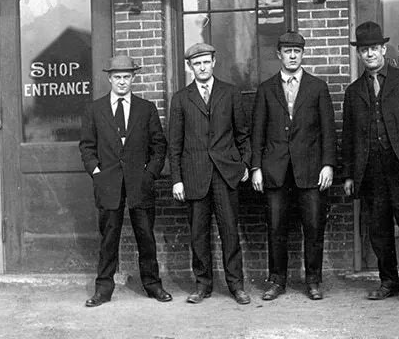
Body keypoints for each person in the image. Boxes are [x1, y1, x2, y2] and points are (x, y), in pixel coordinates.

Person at [341, 21, 399, 307]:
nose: (369, 54)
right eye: (364, 50)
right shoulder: (353, 91)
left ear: (383, 49)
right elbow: (348, 137)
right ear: (359, 54)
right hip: (371, 172)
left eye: (374, 48)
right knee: (379, 232)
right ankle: (389, 282)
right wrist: (349, 175)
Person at [79, 55, 171, 307]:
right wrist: (97, 172)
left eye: (127, 77)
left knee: (146, 236)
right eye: (117, 77)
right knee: (109, 238)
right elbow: (87, 146)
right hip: (108, 183)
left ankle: (153, 285)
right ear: (109, 78)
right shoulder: (95, 109)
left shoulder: (146, 108)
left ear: (133, 78)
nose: (122, 81)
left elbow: (159, 146)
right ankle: (103, 289)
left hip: (139, 183)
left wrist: (150, 174)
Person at [251, 31, 336, 301]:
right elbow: (257, 132)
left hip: (310, 170)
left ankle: (313, 281)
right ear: (279, 55)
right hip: (275, 170)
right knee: (276, 228)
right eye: (287, 51)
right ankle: (277, 281)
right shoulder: (266, 89)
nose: (292, 56)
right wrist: (256, 167)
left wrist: (328, 165)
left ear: (303, 54)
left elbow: (328, 131)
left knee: (313, 227)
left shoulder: (317, 87)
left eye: (297, 51)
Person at [169, 43, 251, 305]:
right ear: (189, 67)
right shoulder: (181, 98)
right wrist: (177, 179)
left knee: (230, 232)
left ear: (214, 62)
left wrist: (244, 165)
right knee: (198, 235)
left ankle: (236, 286)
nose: (202, 67)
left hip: (225, 175)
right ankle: (202, 285)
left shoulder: (230, 92)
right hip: (194, 175)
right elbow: (175, 144)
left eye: (206, 62)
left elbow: (243, 135)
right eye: (197, 63)